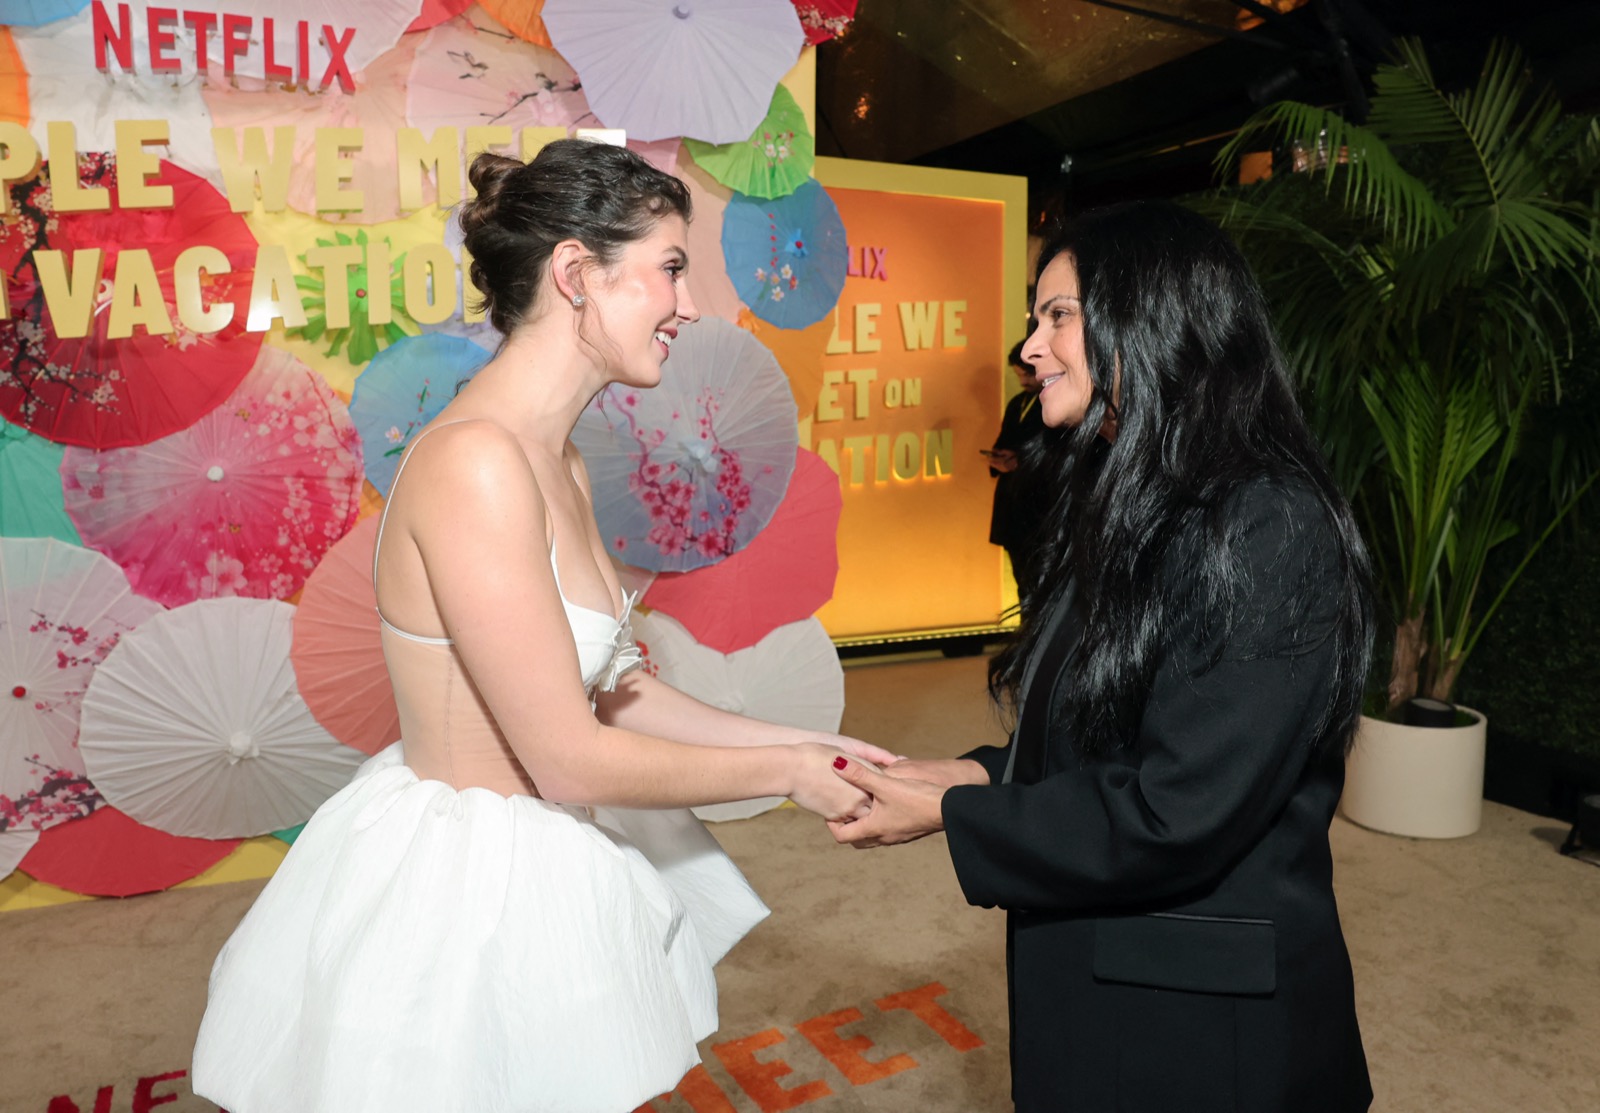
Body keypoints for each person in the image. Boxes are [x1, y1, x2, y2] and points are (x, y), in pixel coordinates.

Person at [191, 140, 893, 1113]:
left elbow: (616, 689)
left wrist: (816, 745)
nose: (689, 305)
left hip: (545, 849)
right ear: (576, 273)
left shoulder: (554, 456)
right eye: (670, 268)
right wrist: (788, 773)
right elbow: (567, 756)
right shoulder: (477, 463)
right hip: (469, 889)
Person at [829, 200, 1376, 1113]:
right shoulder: (1127, 496)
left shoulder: (1268, 524)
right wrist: (976, 771)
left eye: (1059, 316)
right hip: (1109, 991)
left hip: (1202, 1038)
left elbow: (1177, 808)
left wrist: (958, 812)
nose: (1030, 347)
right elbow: (1108, 732)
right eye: (1033, 317)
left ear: (1153, 318)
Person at [986, 339, 1049, 587]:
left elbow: (1055, 452)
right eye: (1019, 375)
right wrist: (998, 458)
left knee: (1040, 581)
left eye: (1027, 375)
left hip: (1039, 505)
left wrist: (1020, 462)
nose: (1023, 381)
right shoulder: (1016, 404)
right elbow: (1004, 440)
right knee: (1021, 579)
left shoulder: (1051, 402)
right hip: (1012, 505)